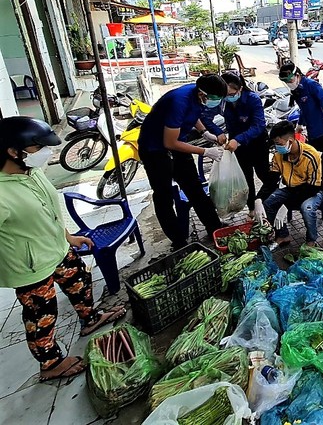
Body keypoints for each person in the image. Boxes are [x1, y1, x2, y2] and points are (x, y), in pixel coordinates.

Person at [0, 117, 126, 382]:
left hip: (57, 247)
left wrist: (68, 236)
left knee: (79, 279)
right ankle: (51, 364)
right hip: (30, 266)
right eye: (39, 148)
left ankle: (90, 318)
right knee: (42, 316)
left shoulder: (30, 172)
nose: (46, 153)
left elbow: (48, 211)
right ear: (14, 151)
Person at [138, 75, 227, 250]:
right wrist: (205, 151)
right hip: (154, 149)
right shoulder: (178, 101)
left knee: (194, 187)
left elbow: (192, 115)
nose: (216, 102)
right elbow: (169, 143)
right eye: (215, 99)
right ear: (203, 94)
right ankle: (178, 240)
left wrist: (204, 132)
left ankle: (214, 227)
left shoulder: (196, 96)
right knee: (164, 196)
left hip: (177, 144)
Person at [252, 121, 323, 247]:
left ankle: (311, 240)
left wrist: (287, 204)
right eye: (275, 144)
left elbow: (313, 188)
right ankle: (283, 235)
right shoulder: (279, 156)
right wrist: (258, 199)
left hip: (312, 191)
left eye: (279, 144)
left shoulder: (311, 155)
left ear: (290, 141)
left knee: (307, 209)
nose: (277, 148)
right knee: (267, 204)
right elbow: (271, 180)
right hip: (290, 188)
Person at [218, 72, 273, 219]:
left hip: (257, 143)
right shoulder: (225, 102)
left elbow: (259, 125)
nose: (228, 97)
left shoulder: (252, 99)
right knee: (245, 178)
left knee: (264, 174)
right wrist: (217, 134)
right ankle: (252, 208)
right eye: (225, 94)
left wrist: (239, 139)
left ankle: (270, 201)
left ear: (240, 89)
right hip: (239, 146)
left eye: (231, 93)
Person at [278, 63, 323, 155]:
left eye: (290, 80)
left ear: (297, 75)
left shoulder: (311, 85)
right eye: (286, 82)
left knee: (322, 160)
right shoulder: (296, 90)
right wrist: (300, 124)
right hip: (311, 131)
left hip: (322, 130)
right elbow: (304, 108)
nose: (289, 84)